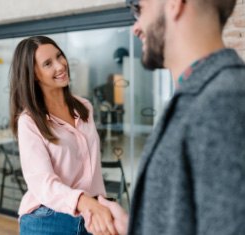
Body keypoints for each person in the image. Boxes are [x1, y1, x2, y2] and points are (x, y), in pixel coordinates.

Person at [85, 0, 245, 234]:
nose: (135, 28)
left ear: (174, 4)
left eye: (140, 9)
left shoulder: (224, 103)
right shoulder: (198, 96)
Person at [9, 35, 118, 235]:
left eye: (59, 57)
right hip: (48, 219)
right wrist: (84, 202)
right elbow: (42, 182)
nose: (60, 66)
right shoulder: (29, 121)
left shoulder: (84, 107)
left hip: (91, 214)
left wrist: (98, 202)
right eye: (48, 63)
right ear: (33, 74)